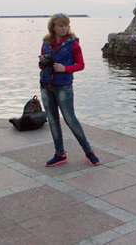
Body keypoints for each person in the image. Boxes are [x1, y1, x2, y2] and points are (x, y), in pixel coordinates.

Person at [39, 13, 99, 167]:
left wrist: (65, 68)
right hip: (46, 86)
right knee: (52, 121)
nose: (64, 28)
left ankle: (89, 152)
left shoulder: (73, 44)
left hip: (63, 86)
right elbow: (41, 65)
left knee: (70, 120)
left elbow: (81, 65)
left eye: (66, 25)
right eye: (60, 25)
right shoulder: (46, 43)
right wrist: (43, 62)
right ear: (53, 27)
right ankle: (60, 154)